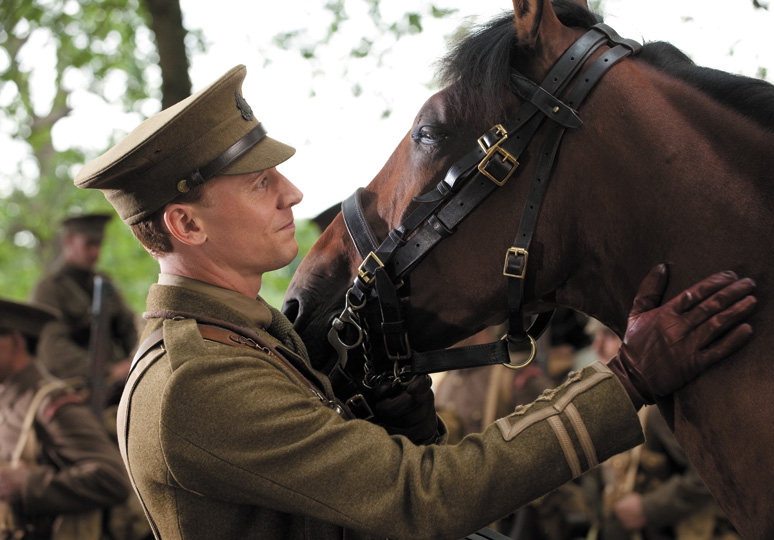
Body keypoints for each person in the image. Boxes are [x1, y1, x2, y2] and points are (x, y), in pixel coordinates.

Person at [73, 64, 756, 540]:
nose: (293, 194)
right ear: (185, 226)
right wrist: (629, 379)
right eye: (258, 184)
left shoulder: (251, 342)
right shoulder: (196, 380)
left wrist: (403, 424)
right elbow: (422, 500)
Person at [583, 320, 740, 540]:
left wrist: (648, 508)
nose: (597, 347)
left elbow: (711, 473)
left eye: (608, 335)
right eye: (594, 338)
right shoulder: (613, 406)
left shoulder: (659, 409)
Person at [0, 298, 131, 540]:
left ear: (16, 342)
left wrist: (27, 485)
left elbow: (112, 479)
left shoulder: (51, 405)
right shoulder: (9, 398)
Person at [30, 213, 140, 390]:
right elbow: (51, 348)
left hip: (115, 383)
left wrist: (138, 360)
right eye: (89, 244)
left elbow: (127, 327)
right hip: (74, 387)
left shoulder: (104, 283)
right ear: (69, 241)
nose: (96, 252)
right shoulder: (49, 289)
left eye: (98, 244)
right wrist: (107, 371)